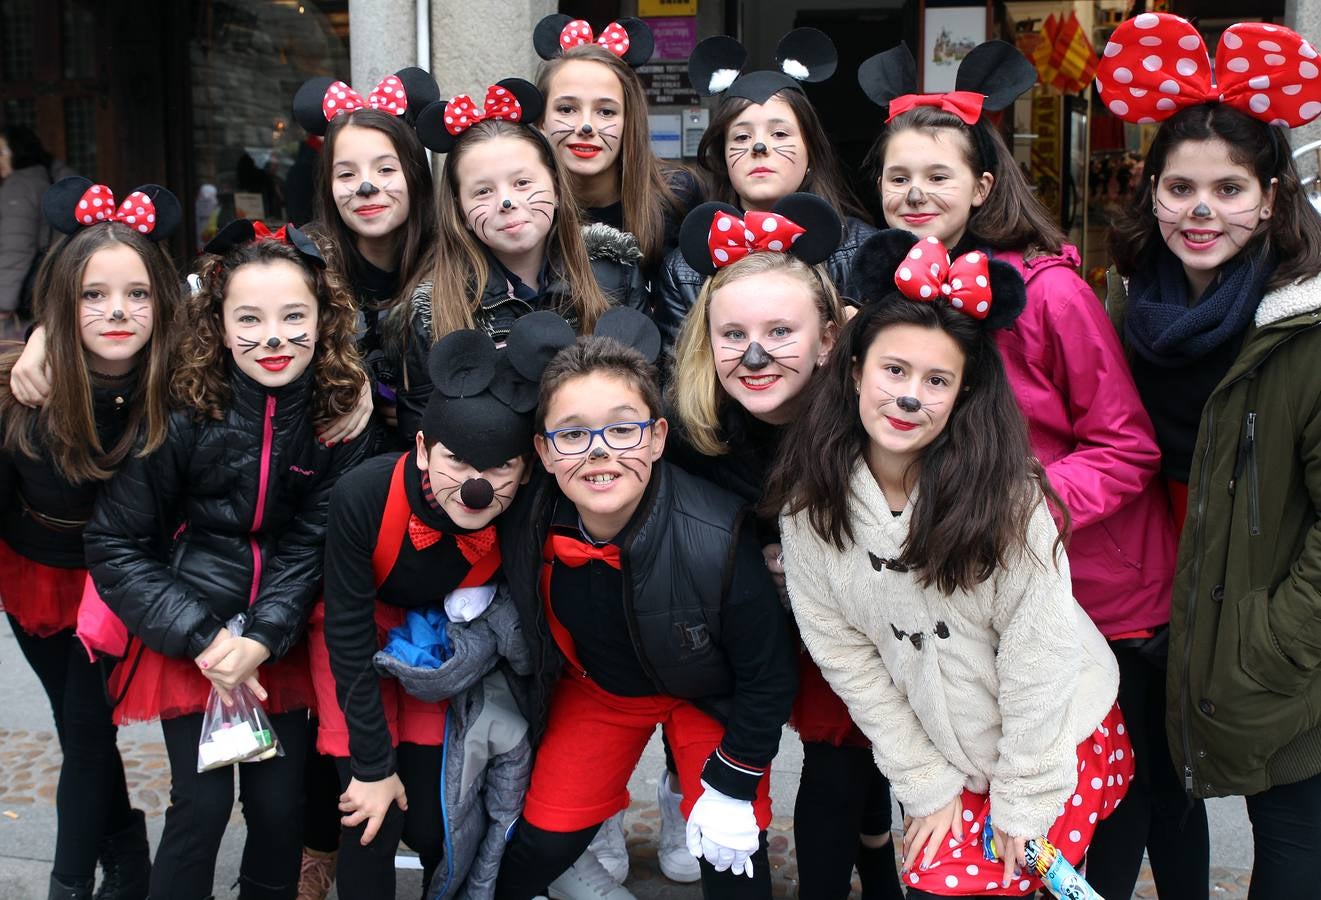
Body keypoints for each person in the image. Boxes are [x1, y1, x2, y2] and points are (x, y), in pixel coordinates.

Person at [860, 39, 1199, 898]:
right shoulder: (890, 305)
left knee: (1131, 799)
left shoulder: (1049, 293)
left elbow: (1126, 446)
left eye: (936, 175)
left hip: (1100, 588)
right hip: (983, 602)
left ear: (980, 186)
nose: (914, 194)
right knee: (1025, 807)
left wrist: (1015, 512)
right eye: (897, 178)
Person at [768, 231, 1127, 898]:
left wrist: (1024, 797)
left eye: (937, 381)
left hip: (1050, 737)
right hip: (940, 748)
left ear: (963, 394)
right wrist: (922, 781)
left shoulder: (1008, 499)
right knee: (933, 882)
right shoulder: (808, 507)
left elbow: (1038, 650)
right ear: (853, 371)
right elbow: (845, 656)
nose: (910, 398)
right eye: (893, 371)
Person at [1098, 14, 1321, 897]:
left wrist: (1274, 639)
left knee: (1291, 837)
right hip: (1152, 605)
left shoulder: (1300, 325)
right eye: (1179, 187)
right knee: (1150, 793)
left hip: (1269, 621)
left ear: (1269, 198)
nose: (1200, 211)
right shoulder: (1123, 312)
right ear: (1150, 191)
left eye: (1227, 190)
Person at [83, 220, 369, 900]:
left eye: (292, 316)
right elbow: (114, 542)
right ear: (220, 324)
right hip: (191, 631)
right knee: (202, 805)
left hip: (278, 639)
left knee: (278, 810)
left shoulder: (335, 417)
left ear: (323, 320)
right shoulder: (184, 410)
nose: (272, 338)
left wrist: (263, 636)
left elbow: (311, 540)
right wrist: (207, 638)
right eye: (250, 318)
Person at [490, 308, 797, 900]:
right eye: (573, 434)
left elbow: (768, 676)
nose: (599, 452)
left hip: (708, 697)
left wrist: (734, 782)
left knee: (733, 861)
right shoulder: (528, 518)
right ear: (545, 453)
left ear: (657, 438)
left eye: (622, 429)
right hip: (599, 690)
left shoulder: (718, 535)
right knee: (539, 845)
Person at [667, 195, 902, 900]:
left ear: (830, 339)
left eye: (780, 331)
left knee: (848, 761)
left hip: (866, 630)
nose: (756, 354)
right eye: (732, 334)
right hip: (749, 641)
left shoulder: (870, 420)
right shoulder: (687, 433)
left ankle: (878, 865)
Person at [312, 311, 568, 899]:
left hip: (434, 646)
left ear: (527, 468)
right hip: (351, 640)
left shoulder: (521, 515)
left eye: (499, 468)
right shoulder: (366, 494)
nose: (476, 485)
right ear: (424, 450)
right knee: (372, 815)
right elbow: (345, 633)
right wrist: (372, 768)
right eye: (457, 462)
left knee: (437, 818)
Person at [0, 177, 181, 900]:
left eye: (136, 294)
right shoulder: (24, 388)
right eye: (93, 295)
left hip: (118, 585)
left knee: (83, 729)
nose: (116, 311)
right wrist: (41, 341)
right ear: (63, 302)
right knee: (80, 730)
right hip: (36, 572)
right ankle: (127, 853)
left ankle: (71, 882)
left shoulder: (182, 385)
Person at [401, 78, 648, 443]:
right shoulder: (432, 310)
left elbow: (648, 390)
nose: (506, 202)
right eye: (483, 191)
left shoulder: (615, 271)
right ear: (461, 212)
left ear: (557, 187)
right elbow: (422, 430)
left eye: (522, 183)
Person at [654, 29, 874, 356]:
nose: (759, 146)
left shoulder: (863, 251)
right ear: (723, 157)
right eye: (741, 138)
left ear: (811, 151)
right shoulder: (684, 268)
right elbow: (680, 384)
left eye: (780, 133)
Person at [291, 67, 441, 451]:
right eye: (346, 174)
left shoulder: (455, 266)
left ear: (414, 176)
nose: (366, 187)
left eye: (385, 169)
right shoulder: (302, 269)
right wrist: (347, 380)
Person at [533, 14, 699, 284]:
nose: (586, 127)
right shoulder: (523, 206)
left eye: (606, 111)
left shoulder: (676, 197)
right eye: (567, 109)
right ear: (541, 121)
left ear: (628, 122)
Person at [0, 126, 75, 338]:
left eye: (2, 152)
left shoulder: (20, 185)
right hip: (58, 283)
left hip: (28, 295)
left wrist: (3, 303)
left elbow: (16, 247)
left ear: (19, 152)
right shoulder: (54, 175)